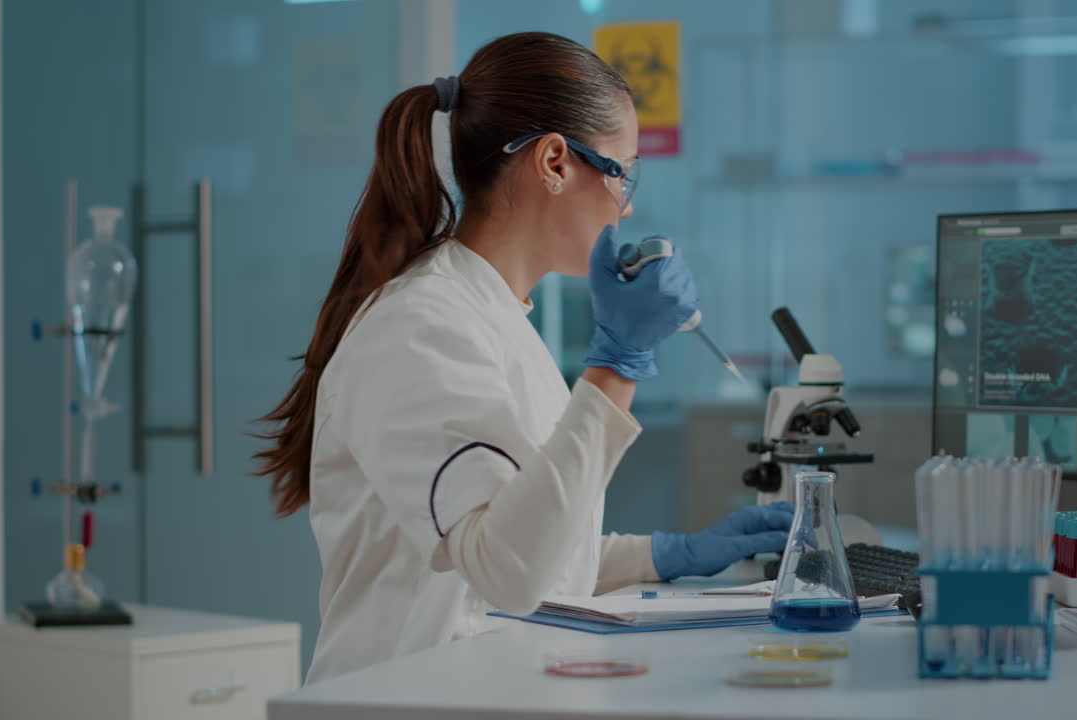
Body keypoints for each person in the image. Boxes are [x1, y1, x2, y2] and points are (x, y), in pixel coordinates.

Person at [254, 31, 793, 684]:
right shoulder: (419, 327)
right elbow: (508, 572)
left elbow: (531, 540)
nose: (627, 204)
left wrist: (667, 555)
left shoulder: (497, 318)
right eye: (624, 172)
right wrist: (617, 364)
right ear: (556, 162)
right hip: (403, 695)